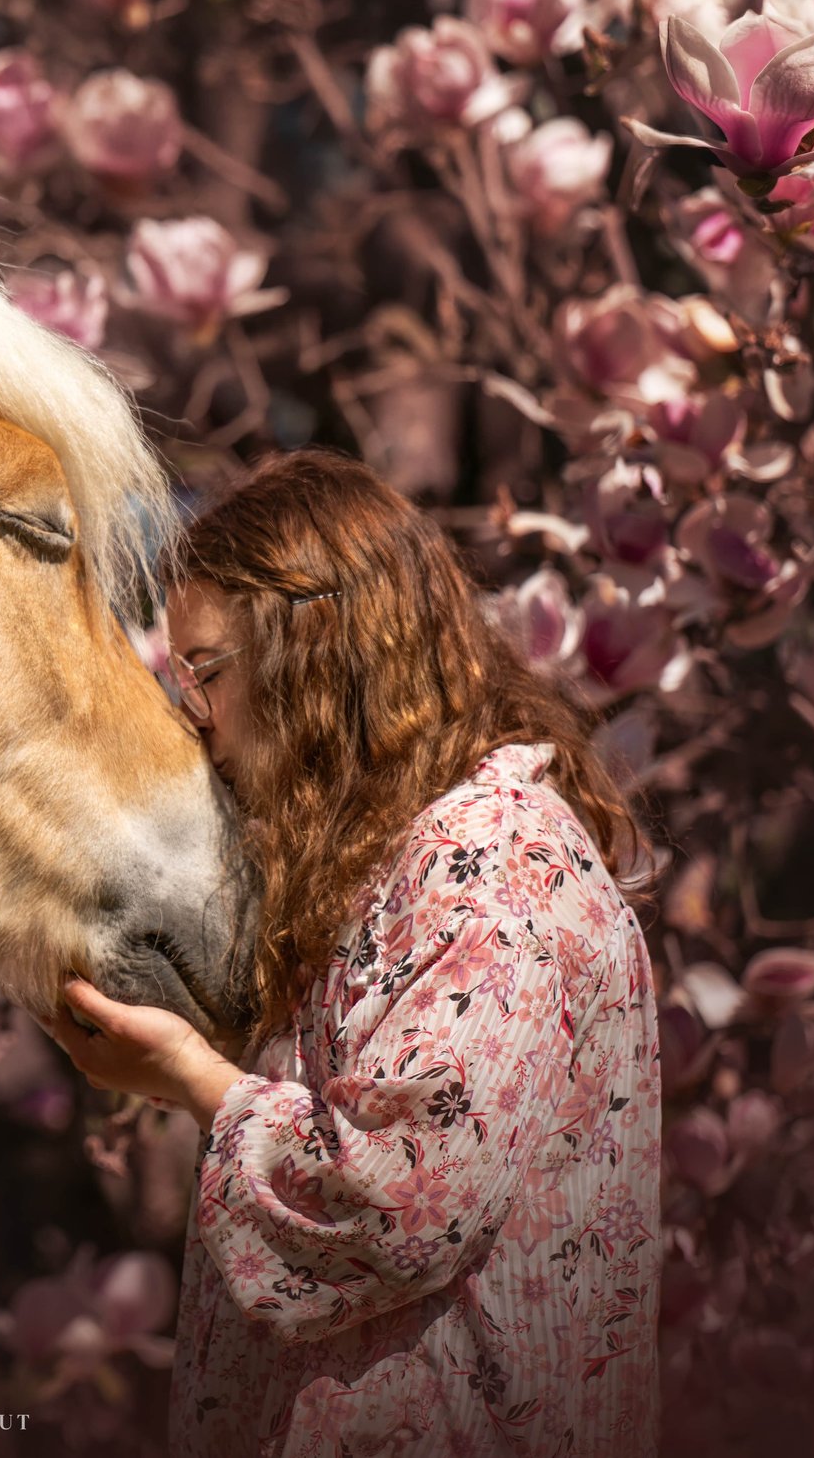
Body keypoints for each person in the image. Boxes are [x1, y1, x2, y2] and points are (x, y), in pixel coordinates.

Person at [37, 449, 661, 1456]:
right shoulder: (392, 862)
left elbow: (397, 1194)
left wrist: (197, 1081)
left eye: (208, 668)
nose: (192, 711)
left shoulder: (489, 866)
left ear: (317, 650)